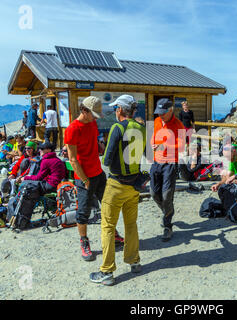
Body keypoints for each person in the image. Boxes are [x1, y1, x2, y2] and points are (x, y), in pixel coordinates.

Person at [90, 94, 146, 286]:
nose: (115, 111)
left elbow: (106, 160)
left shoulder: (117, 127)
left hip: (116, 185)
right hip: (134, 184)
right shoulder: (141, 128)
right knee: (131, 224)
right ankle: (134, 260)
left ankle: (106, 271)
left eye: (116, 108)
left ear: (121, 110)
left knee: (107, 226)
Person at [64, 96, 108, 261]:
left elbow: (95, 143)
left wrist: (103, 148)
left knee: (108, 205)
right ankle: (84, 242)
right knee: (83, 212)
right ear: (84, 110)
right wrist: (85, 180)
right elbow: (73, 160)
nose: (95, 118)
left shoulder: (92, 123)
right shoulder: (72, 129)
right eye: (93, 114)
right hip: (84, 178)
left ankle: (113, 234)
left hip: (99, 173)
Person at [150, 98, 185, 242]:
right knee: (153, 193)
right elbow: (154, 137)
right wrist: (152, 144)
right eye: (158, 113)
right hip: (156, 162)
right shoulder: (158, 121)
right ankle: (168, 211)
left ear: (170, 111)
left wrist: (166, 146)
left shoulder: (179, 125)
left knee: (166, 195)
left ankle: (167, 225)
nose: (160, 115)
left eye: (163, 113)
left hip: (170, 163)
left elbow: (182, 147)